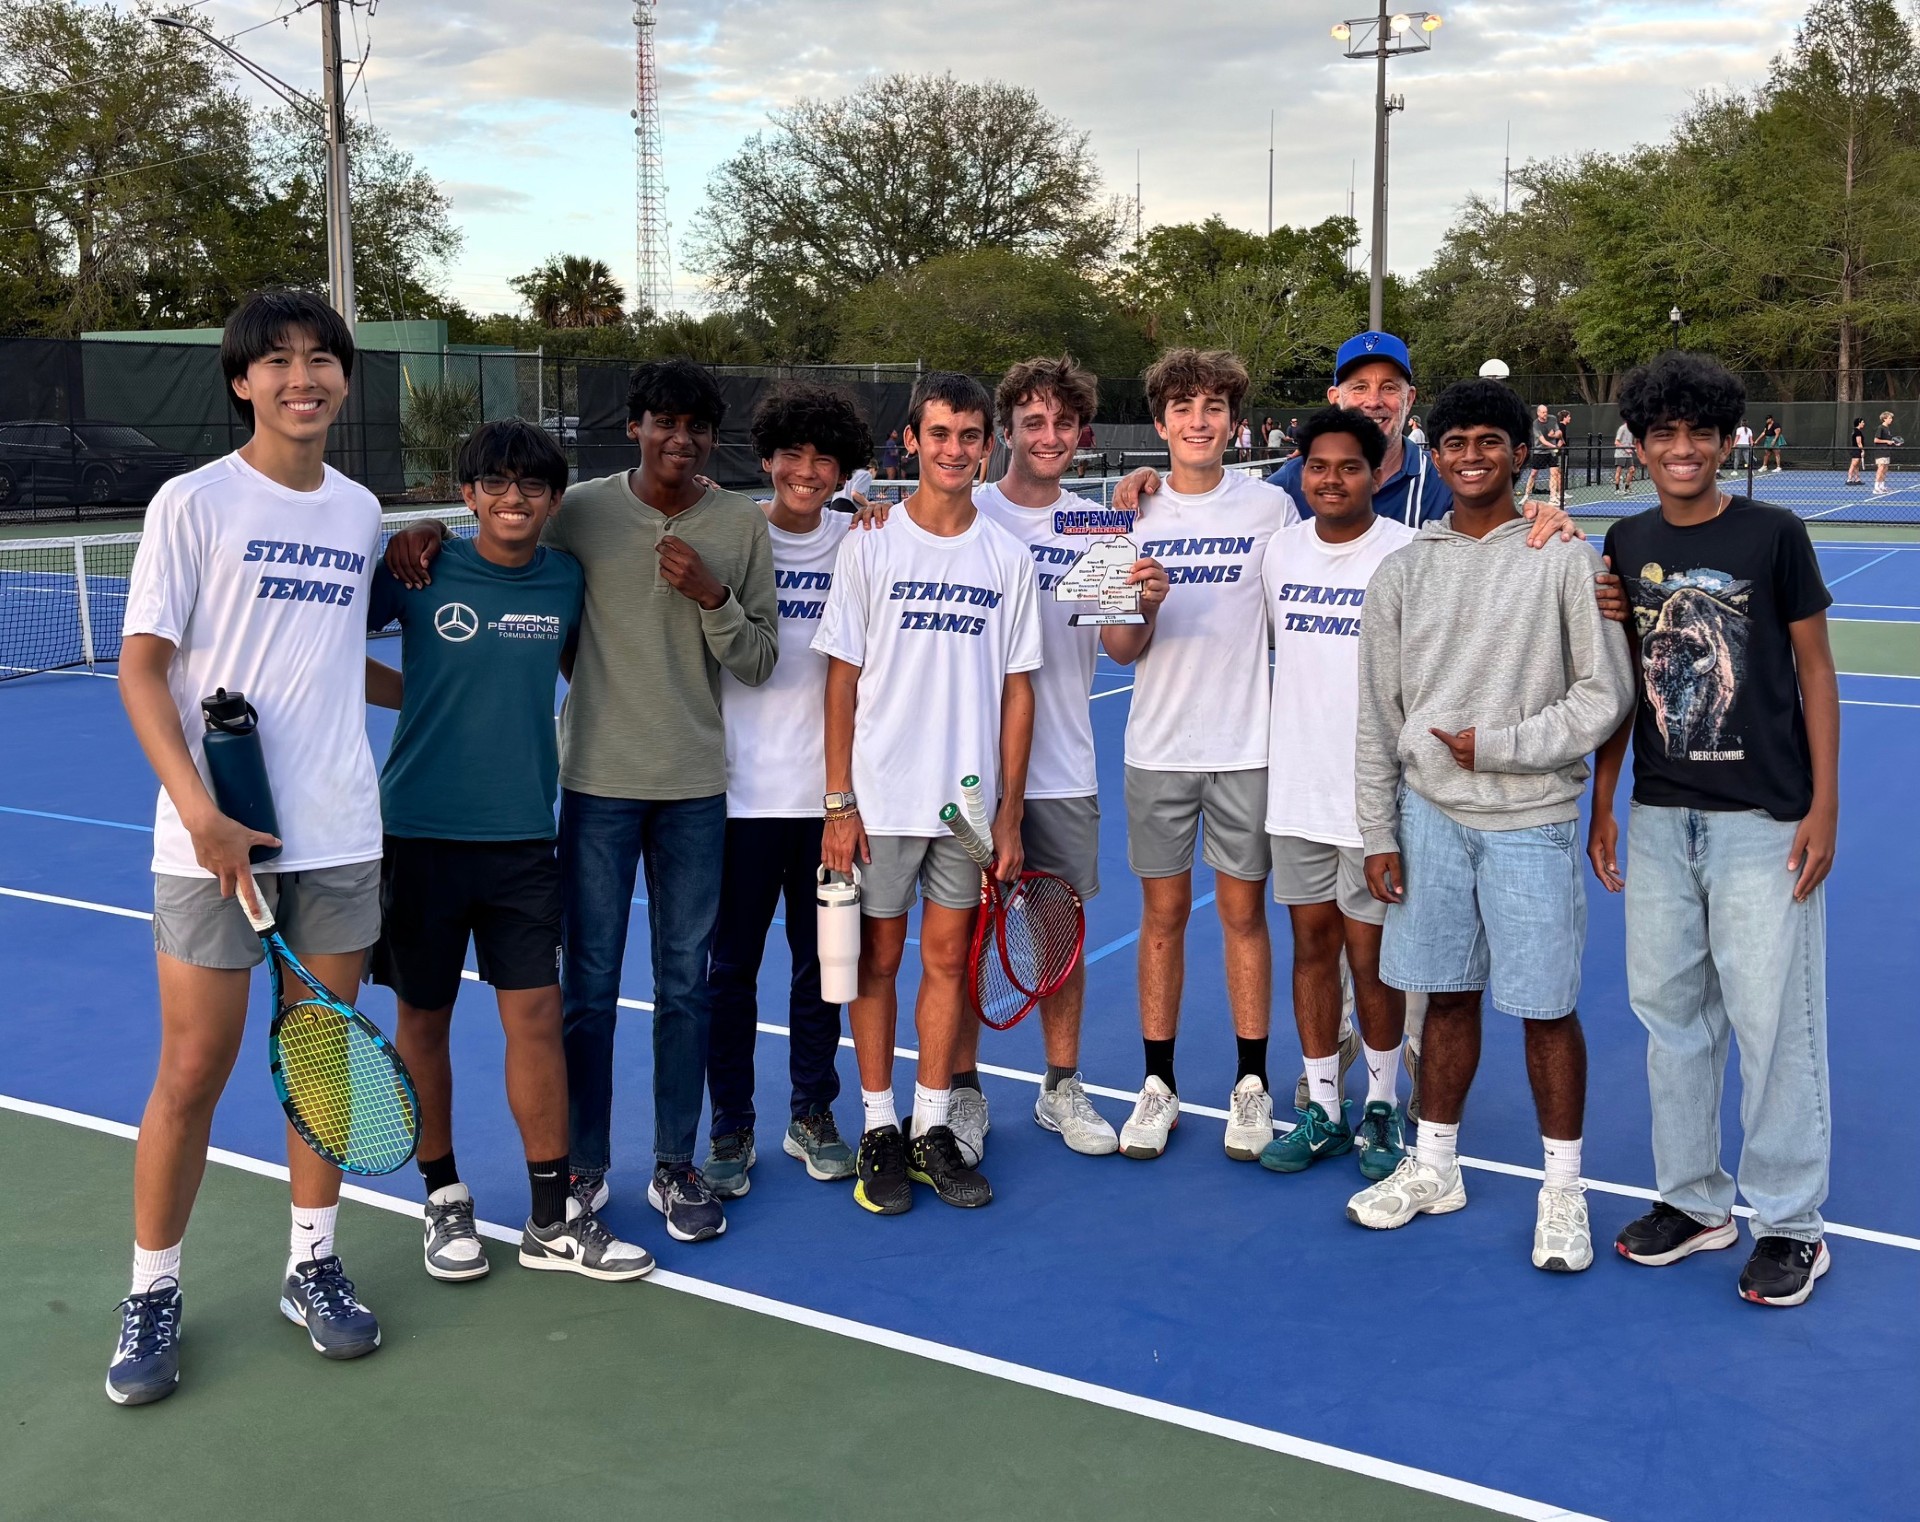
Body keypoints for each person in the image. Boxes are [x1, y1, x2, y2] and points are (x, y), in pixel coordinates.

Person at [1114, 332, 1591, 1117]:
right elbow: (1126, 634)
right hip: (1268, 767)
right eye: (1358, 385)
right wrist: (1143, 486)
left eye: (1389, 386)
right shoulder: (1277, 505)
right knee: (1308, 945)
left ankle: (1383, 1099)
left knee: (1389, 956)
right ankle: (1304, 1090)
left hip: (1388, 774)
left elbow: (1493, 510)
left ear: (1407, 405)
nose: (1373, 399)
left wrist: (1548, 516)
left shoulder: (1431, 501)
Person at [385, 359, 778, 1246]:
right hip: (593, 786)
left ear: (713, 437)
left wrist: (711, 596)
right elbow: (504, 546)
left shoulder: (738, 523)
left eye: (697, 426)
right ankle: (583, 1171)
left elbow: (758, 658)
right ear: (634, 426)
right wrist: (423, 528)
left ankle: (674, 1166)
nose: (679, 439)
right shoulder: (586, 511)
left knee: (685, 986)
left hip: (694, 792)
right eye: (661, 422)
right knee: (587, 993)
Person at [109, 290, 397, 1404]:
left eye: (321, 358)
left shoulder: (360, 510)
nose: (302, 378)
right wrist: (201, 811)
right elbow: (144, 667)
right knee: (191, 1072)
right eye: (276, 362)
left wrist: (435, 693)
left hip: (335, 837)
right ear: (242, 382)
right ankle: (152, 1287)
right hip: (209, 845)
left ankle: (311, 1263)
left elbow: (323, 659)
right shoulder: (192, 502)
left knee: (320, 1066)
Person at [1346, 377, 1633, 1275]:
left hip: (1533, 822)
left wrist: (1499, 748)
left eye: (1490, 442)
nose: (1472, 457)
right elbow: (1376, 713)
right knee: (1448, 997)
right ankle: (1436, 1167)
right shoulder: (1402, 570)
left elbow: (1605, 693)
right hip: (1428, 820)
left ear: (1521, 453)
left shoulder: (1562, 561)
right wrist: (1378, 831)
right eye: (1456, 442)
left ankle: (1563, 1190)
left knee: (1546, 1010)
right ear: (1436, 453)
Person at [365, 419, 652, 1283]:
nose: (513, 498)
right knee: (424, 1019)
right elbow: (318, 647)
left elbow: (585, 675)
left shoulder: (566, 579)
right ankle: (443, 1197)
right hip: (418, 836)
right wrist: (422, 696)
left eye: (531, 485)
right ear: (468, 494)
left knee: (535, 1018)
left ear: (554, 500)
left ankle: (548, 1217)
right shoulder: (417, 567)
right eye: (494, 483)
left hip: (525, 838)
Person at [1591, 352, 1839, 1307]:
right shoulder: (1624, 538)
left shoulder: (1775, 533)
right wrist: (1606, 799)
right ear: (1642, 445)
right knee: (1671, 1020)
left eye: (1701, 433)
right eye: (1665, 434)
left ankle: (1791, 1225)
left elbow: (1815, 670)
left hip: (1764, 821)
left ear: (1727, 440)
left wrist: (1824, 806)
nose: (1683, 449)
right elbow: (1625, 687)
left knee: (1776, 1025)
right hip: (1660, 818)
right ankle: (1695, 1203)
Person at [815, 371, 1043, 1214]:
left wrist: (1010, 815)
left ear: (990, 446)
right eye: (939, 434)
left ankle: (931, 1126)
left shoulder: (1006, 557)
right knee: (876, 962)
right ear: (911, 441)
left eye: (970, 436)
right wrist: (839, 804)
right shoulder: (868, 544)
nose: (955, 450)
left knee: (948, 962)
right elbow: (840, 684)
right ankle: (878, 1124)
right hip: (877, 805)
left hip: (968, 815)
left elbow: (1018, 691)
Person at [942, 355, 1168, 1165]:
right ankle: (958, 1094)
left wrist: (1144, 605)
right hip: (967, 771)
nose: (1047, 436)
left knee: (1056, 937)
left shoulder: (1094, 526)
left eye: (1061, 424)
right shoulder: (962, 515)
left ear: (1083, 436)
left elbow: (1122, 647)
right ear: (1005, 430)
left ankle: (1059, 1085)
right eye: (1031, 422)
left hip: (1063, 767)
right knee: (960, 937)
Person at [1100, 348, 1297, 1164]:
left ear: (1235, 422)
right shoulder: (1125, 517)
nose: (1198, 421)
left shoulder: (1271, 512)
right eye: (1182, 407)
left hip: (1248, 748)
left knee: (1246, 915)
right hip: (1158, 750)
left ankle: (1251, 1086)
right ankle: (1159, 1086)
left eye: (1213, 406)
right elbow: (1117, 648)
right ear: (1160, 423)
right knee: (1163, 917)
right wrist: (1141, 605)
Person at [702, 383, 871, 1199]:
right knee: (728, 971)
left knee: (822, 968)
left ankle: (812, 1112)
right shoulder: (731, 534)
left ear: (842, 467)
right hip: (733, 805)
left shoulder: (865, 537)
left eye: (823, 458)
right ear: (766, 459)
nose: (807, 471)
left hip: (827, 808)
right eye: (792, 455)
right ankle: (730, 1125)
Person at [1254, 406, 1415, 1182]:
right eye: (1318, 465)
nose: (1331, 479)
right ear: (1301, 471)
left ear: (1378, 473)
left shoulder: (1408, 553)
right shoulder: (1278, 552)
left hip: (1375, 804)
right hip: (1296, 795)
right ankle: (1323, 1105)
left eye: (1349, 466)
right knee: (1312, 952)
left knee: (1372, 959)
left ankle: (1382, 1105)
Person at [1872, 411, 1898, 496]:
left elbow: (1889, 441)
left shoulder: (1887, 429)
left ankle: (1882, 486)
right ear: (1884, 419)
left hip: (1886, 451)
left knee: (1885, 469)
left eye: (1891, 418)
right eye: (1890, 418)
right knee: (1881, 468)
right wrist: (1887, 441)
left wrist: (1893, 442)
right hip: (1880, 451)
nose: (1891, 420)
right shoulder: (1881, 428)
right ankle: (1876, 488)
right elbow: (1876, 440)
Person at [1613, 419, 1637, 494]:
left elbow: (1629, 443)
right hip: (1620, 454)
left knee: (1632, 470)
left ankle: (1626, 488)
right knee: (1619, 471)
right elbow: (1616, 442)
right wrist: (1626, 449)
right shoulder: (1622, 429)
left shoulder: (1631, 430)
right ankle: (1617, 489)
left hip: (1628, 454)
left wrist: (1635, 447)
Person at [1846, 417, 1865, 484]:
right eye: (1862, 422)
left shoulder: (1856, 431)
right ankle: (1849, 479)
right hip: (1856, 450)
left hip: (1856, 450)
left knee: (1857, 465)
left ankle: (1857, 479)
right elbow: (1859, 442)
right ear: (1859, 423)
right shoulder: (1857, 431)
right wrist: (1862, 450)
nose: (1863, 423)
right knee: (1853, 465)